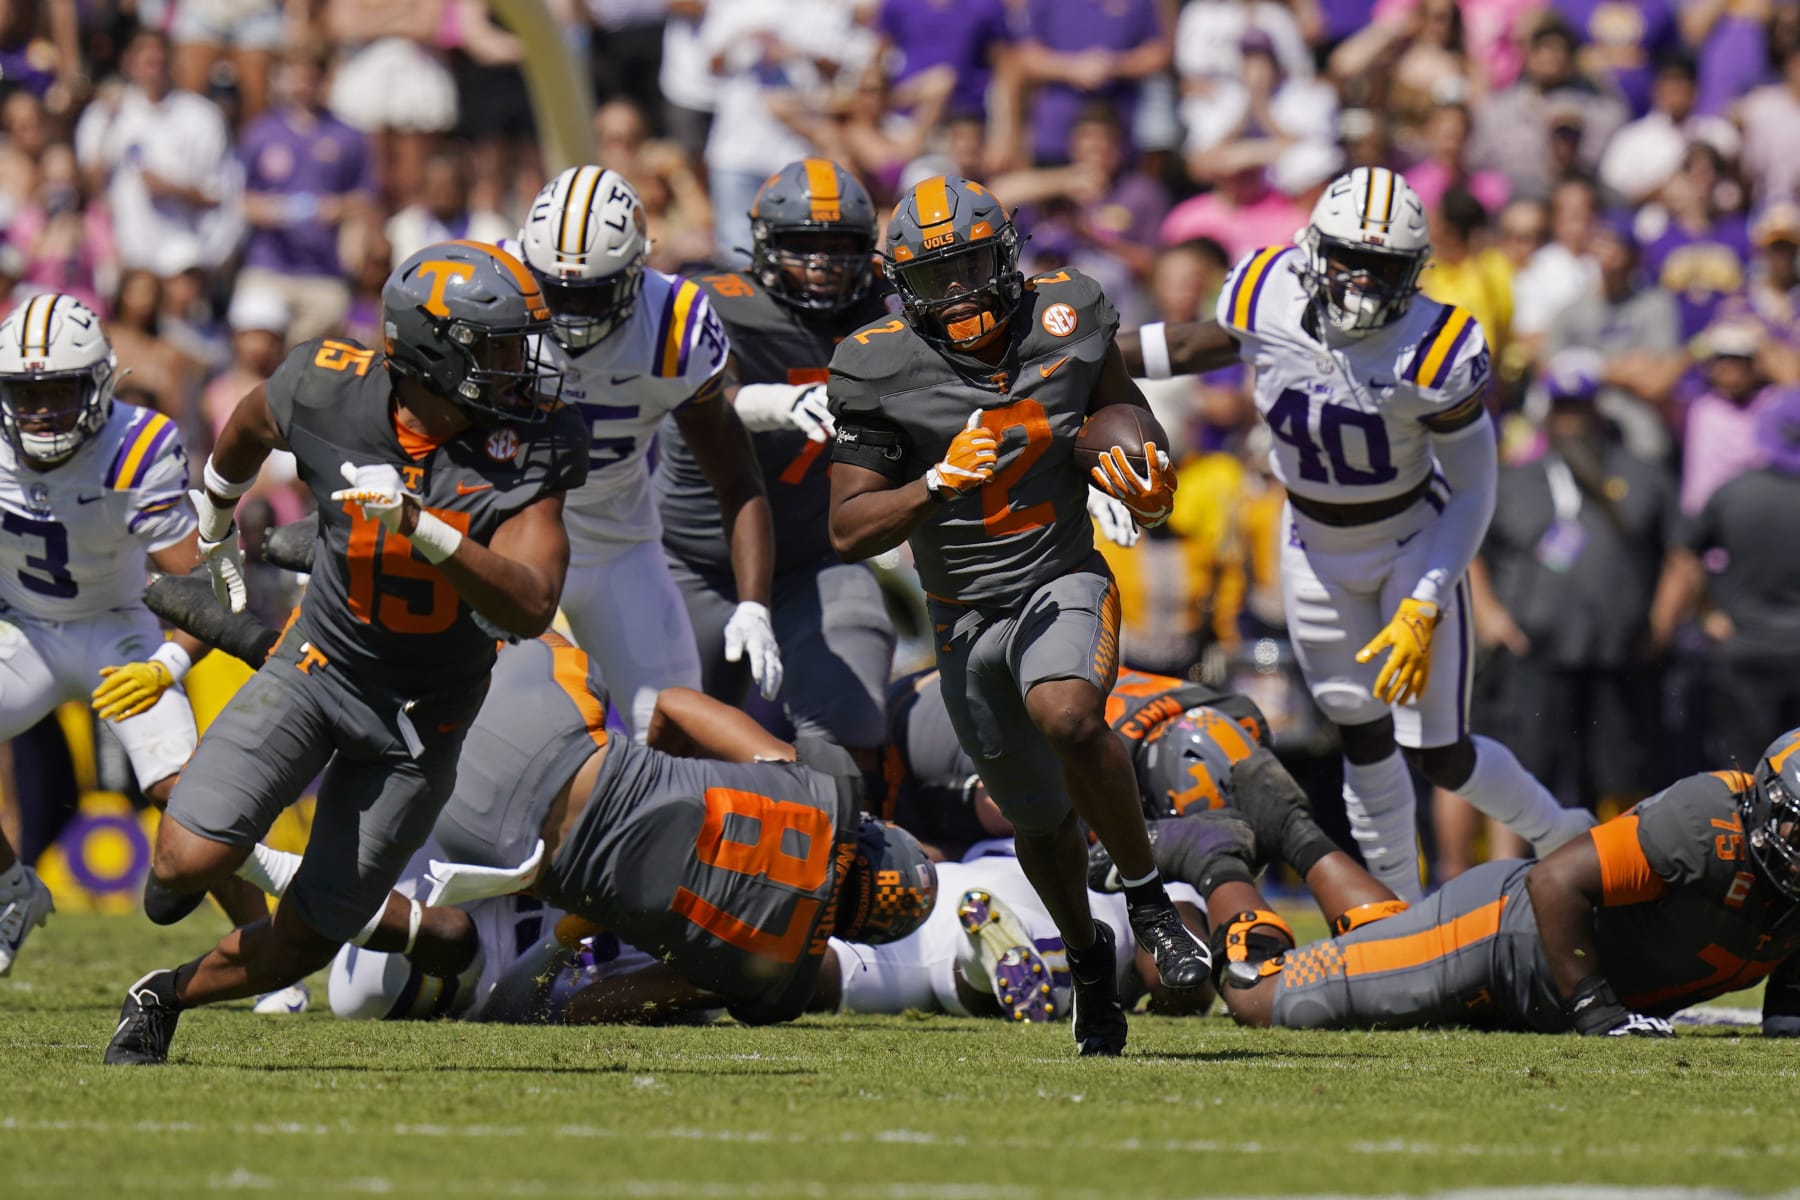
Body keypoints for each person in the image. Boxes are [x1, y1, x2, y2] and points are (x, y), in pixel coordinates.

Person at [101, 240, 590, 1066]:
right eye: (499, 348)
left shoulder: (528, 445)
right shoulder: (329, 386)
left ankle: (162, 995)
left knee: (310, 940)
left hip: (423, 722)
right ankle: (189, 860)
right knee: (187, 861)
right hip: (317, 667)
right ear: (435, 352)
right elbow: (255, 416)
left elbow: (532, 601)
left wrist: (424, 528)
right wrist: (216, 515)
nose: (521, 368)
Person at [1115, 167, 1592, 903]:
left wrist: (1427, 599)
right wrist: (1085, 355)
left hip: (1410, 539)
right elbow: (1195, 344)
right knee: (1361, 735)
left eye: (1384, 266)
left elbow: (1474, 488)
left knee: (1439, 752)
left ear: (1415, 271)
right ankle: (1399, 916)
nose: (1366, 282)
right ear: (1314, 252)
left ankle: (1567, 839)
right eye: (1352, 260)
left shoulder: (1435, 348)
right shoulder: (1267, 290)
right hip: (1309, 544)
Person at [825, 174, 1213, 1057]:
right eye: (932, 281)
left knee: (1069, 714)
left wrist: (1140, 474)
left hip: (1060, 574)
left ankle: (1149, 901)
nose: (957, 298)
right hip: (964, 616)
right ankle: (1086, 961)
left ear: (1005, 258)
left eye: (968, 270)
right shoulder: (877, 364)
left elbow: (1122, 407)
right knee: (1036, 820)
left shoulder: (1069, 312)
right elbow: (848, 526)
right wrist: (934, 483)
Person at [1193, 727, 1800, 1038]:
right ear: (1768, 805)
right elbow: (1556, 881)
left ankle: (1340, 891)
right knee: (1261, 1000)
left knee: (1382, 949)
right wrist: (1596, 1011)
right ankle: (1215, 855)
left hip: (1542, 988)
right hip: (1501, 938)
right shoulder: (1704, 821)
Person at [510, 166, 776, 737]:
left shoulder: (672, 325)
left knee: (674, 730)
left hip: (616, 546)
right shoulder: (491, 292)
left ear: (638, 269)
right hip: (501, 538)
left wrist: (754, 603)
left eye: (593, 293)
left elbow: (736, 478)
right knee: (488, 735)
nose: (572, 315)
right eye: (558, 292)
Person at [655, 160, 897, 779]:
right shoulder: (718, 304)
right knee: (653, 740)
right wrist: (783, 402)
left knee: (853, 712)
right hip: (688, 561)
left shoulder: (889, 308)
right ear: (763, 245)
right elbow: (714, 396)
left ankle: (842, 854)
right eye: (802, 246)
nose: (821, 264)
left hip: (809, 563)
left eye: (838, 247)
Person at [0, 294, 211, 974]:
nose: (40, 411)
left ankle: (264, 943)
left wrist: (168, 667)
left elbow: (200, 591)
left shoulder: (137, 445)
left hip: (116, 632)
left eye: (59, 391)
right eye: (24, 394)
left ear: (97, 384)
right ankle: (11, 891)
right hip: (24, 628)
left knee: (182, 794)